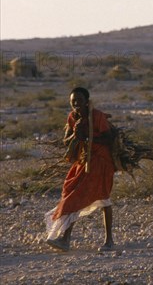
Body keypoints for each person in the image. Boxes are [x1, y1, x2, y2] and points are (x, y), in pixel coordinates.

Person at [45, 87, 115, 252]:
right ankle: (65, 238)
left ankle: (108, 240)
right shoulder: (72, 118)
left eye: (79, 101)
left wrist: (89, 137)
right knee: (71, 192)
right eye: (73, 101)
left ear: (87, 101)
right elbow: (66, 140)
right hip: (83, 161)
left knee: (102, 198)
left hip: (100, 161)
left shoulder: (96, 116)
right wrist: (75, 135)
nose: (76, 104)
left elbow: (109, 137)